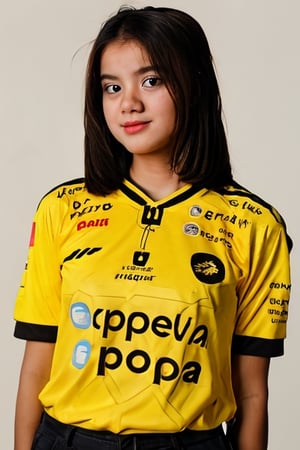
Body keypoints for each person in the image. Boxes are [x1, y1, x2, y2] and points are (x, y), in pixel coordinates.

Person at [13, 5, 292, 450]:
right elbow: (35, 367)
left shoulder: (255, 225)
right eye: (111, 87)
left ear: (194, 82)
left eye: (151, 80)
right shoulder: (61, 209)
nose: (128, 103)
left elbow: (253, 392)